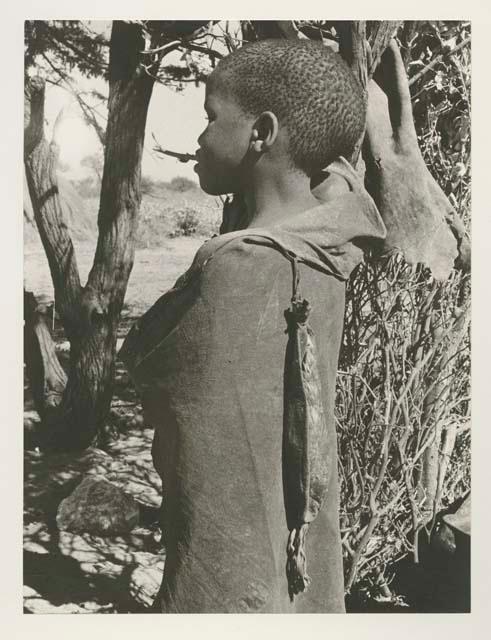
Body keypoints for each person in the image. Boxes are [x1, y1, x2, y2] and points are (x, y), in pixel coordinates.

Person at [121, 39, 386, 613]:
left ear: (261, 133)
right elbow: (341, 172)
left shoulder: (232, 266)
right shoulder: (334, 237)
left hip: (226, 566)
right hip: (303, 543)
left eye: (211, 118)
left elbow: (152, 366)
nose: (200, 138)